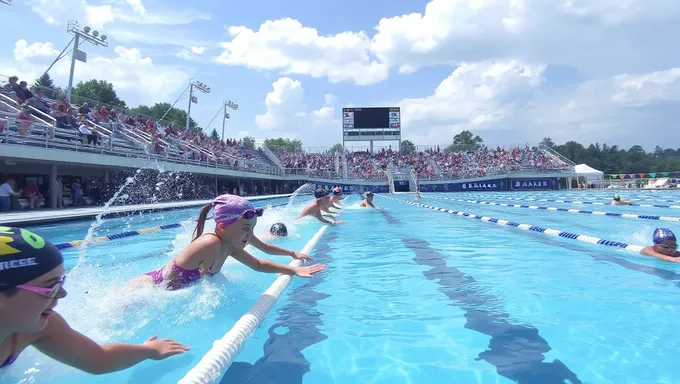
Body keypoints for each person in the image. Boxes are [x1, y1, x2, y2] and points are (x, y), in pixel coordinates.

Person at [0, 227, 189, 372]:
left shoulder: (42, 326)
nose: (63, 294)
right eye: (49, 287)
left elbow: (99, 359)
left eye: (61, 282)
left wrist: (149, 350)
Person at [136, 195, 324, 290]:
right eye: (245, 229)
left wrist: (293, 267)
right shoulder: (211, 243)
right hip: (147, 288)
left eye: (252, 228)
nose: (250, 235)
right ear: (223, 227)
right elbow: (205, 284)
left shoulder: (228, 244)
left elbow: (257, 263)